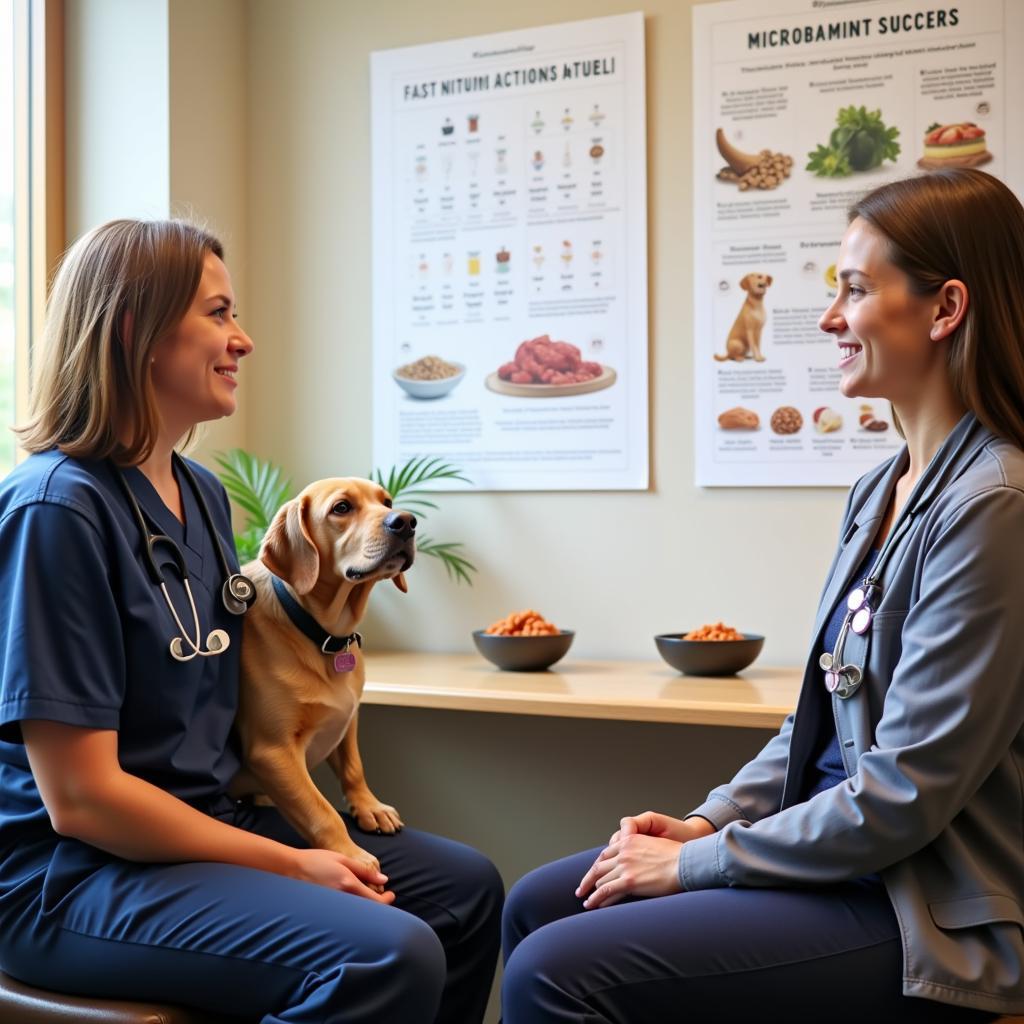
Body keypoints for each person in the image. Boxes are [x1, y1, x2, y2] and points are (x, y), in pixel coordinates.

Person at [502, 168, 1024, 1023]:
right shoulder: (879, 491)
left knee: (554, 971)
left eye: (854, 290)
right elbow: (815, 723)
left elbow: (906, 795)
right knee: (540, 904)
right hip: (841, 862)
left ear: (945, 309)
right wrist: (706, 825)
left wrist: (694, 868)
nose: (827, 318)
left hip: (920, 904)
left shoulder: (995, 505)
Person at [0, 219, 503, 1024]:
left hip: (201, 824)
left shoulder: (200, 494)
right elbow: (83, 800)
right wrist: (295, 861)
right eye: (219, 314)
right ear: (137, 330)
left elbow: (255, 641)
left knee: (467, 891)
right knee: (385, 950)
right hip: (72, 874)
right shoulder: (57, 510)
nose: (245, 340)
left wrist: (352, 596)